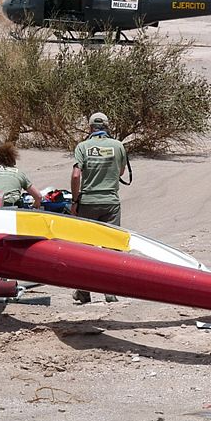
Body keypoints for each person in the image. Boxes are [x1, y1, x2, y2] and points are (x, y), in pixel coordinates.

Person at [70, 112, 127, 304]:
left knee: (86, 250)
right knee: (111, 249)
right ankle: (109, 291)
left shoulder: (83, 147)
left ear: (90, 127)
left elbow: (77, 175)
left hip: (88, 202)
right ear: (107, 126)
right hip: (110, 202)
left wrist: (75, 201)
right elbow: (121, 171)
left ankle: (84, 291)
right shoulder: (118, 146)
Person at [0, 142, 42, 208]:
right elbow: (38, 196)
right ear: (14, 160)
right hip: (12, 207)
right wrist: (36, 204)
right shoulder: (19, 174)